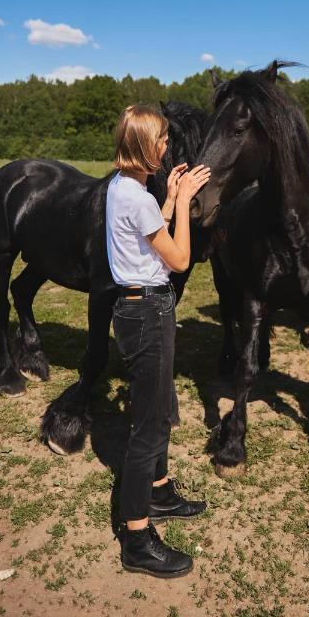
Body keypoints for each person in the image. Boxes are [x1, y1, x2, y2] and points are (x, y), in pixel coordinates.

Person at [106, 104, 211, 577]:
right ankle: (136, 537)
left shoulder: (124, 188)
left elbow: (148, 234)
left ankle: (161, 490)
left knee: (160, 406)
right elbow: (180, 258)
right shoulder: (137, 197)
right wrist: (186, 202)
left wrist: (168, 197)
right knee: (147, 428)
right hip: (147, 312)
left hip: (140, 307)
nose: (168, 147)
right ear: (145, 145)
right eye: (163, 140)